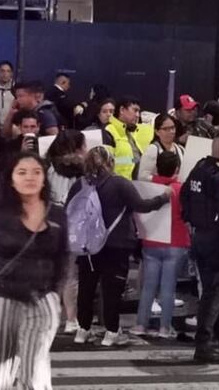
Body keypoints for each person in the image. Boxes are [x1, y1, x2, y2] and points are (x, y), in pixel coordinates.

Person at [0, 153, 67, 389]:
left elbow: (64, 257)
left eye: (36, 172)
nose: (29, 178)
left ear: (44, 178)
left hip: (42, 301)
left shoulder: (57, 214)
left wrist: (56, 293)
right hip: (1, 300)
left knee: (33, 375)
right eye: (22, 172)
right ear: (11, 179)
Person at [67, 146, 170, 346]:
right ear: (110, 162)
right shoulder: (119, 184)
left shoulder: (80, 185)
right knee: (112, 289)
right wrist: (163, 198)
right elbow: (142, 206)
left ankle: (83, 329)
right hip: (116, 244)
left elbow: (69, 210)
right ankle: (112, 332)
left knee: (87, 288)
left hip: (88, 245)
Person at [181, 133, 219, 364]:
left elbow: (185, 195)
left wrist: (188, 220)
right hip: (217, 241)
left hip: (199, 237)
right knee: (213, 293)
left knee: (214, 291)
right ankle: (203, 344)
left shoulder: (199, 169)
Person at [133, 152, 191, 339]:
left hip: (151, 240)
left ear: (157, 167)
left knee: (148, 286)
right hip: (176, 242)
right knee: (168, 287)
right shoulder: (181, 189)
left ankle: (141, 324)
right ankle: (165, 327)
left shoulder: (148, 187)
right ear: (177, 169)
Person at [45, 130, 87, 334]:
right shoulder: (83, 172)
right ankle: (71, 320)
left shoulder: (47, 167)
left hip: (49, 223)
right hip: (73, 226)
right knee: (71, 275)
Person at [106, 97, 153, 179]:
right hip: (116, 186)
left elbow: (133, 159)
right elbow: (107, 162)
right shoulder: (108, 131)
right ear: (122, 110)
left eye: (139, 112)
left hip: (131, 185)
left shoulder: (130, 133)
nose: (138, 115)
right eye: (135, 110)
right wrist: (135, 160)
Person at [137, 113, 184, 182]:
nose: (171, 131)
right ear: (157, 132)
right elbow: (142, 177)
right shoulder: (152, 150)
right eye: (165, 129)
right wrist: (165, 180)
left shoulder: (180, 149)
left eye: (172, 128)